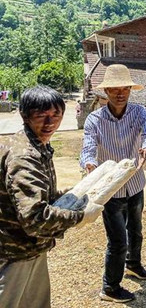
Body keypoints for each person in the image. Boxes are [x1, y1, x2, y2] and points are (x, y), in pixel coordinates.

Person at [0, 86, 102, 308]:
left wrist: (68, 195)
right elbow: (35, 217)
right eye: (41, 116)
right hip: (13, 252)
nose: (50, 123)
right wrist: (80, 217)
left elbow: (35, 195)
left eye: (56, 115)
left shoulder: (34, 144)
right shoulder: (24, 157)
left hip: (29, 249)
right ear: (25, 116)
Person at [80, 64, 146, 303]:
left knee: (136, 230)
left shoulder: (141, 113)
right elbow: (88, 146)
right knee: (117, 240)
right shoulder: (95, 119)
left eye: (125, 88)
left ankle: (133, 264)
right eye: (114, 89)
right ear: (106, 92)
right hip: (110, 189)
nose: (120, 93)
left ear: (130, 90)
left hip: (135, 183)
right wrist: (90, 163)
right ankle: (110, 288)